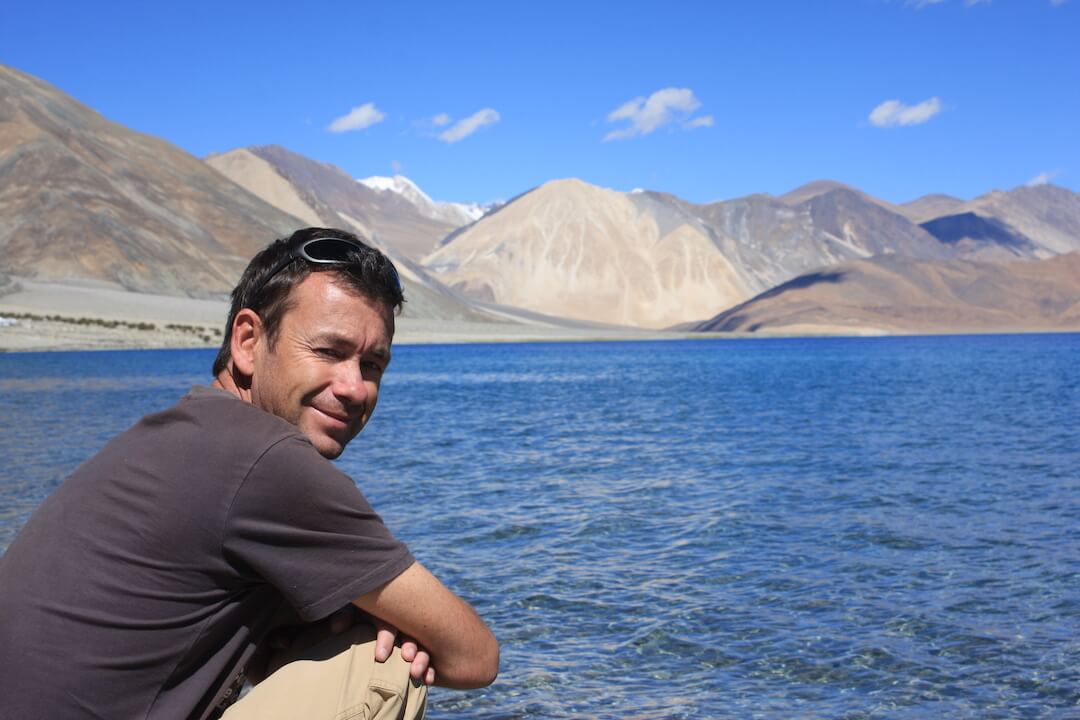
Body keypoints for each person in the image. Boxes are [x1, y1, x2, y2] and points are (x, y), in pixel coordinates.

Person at [0, 227, 499, 720]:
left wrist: (322, 619)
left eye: (373, 364)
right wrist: (376, 624)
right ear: (247, 340)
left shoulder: (189, 436)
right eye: (328, 351)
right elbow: (474, 656)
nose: (354, 387)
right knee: (379, 664)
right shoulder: (265, 460)